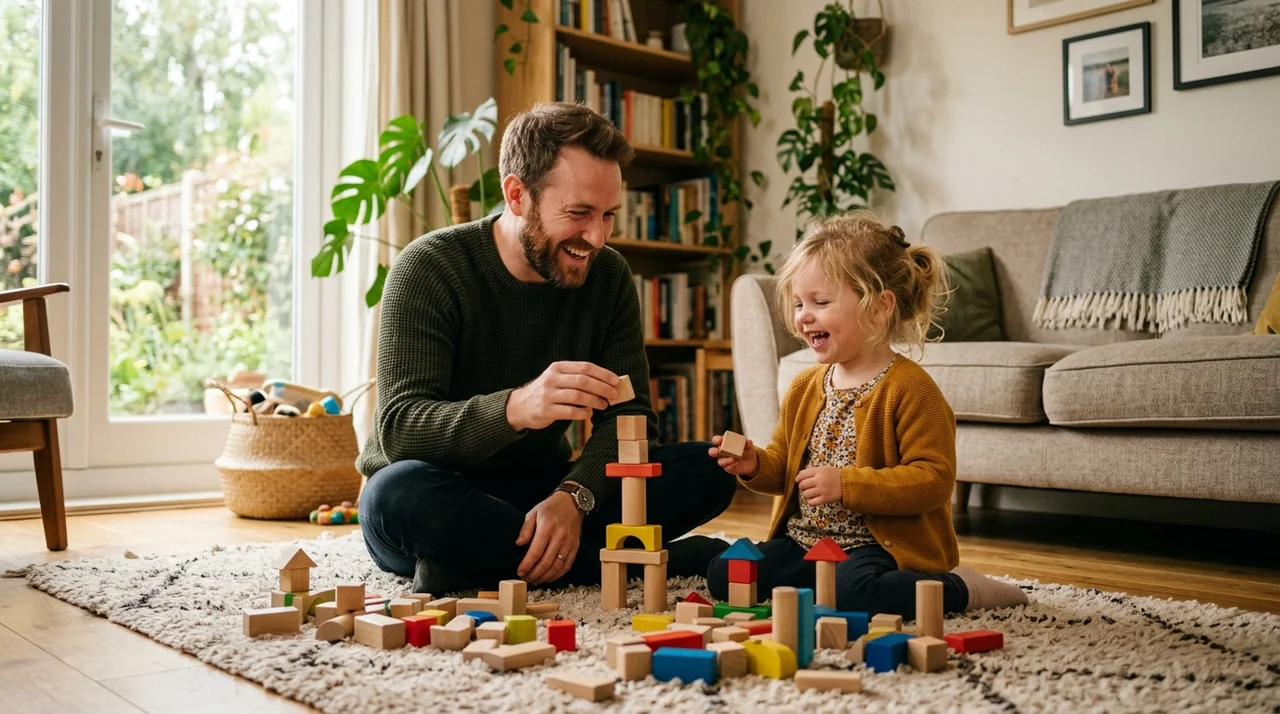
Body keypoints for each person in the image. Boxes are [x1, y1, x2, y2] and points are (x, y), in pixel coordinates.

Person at [356, 102, 737, 595]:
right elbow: (400, 430)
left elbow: (633, 417)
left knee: (710, 469)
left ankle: (477, 563)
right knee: (394, 494)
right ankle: (607, 563)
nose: (596, 237)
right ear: (518, 195)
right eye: (579, 213)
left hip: (546, 490)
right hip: (442, 491)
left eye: (608, 216)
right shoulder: (430, 267)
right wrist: (518, 407)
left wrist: (573, 497)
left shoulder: (609, 276)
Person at [705, 211, 1028, 617]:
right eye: (799, 302)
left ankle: (961, 588)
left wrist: (847, 484)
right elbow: (784, 469)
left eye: (821, 302)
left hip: (875, 550)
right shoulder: (806, 387)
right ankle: (820, 588)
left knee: (858, 594)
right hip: (805, 543)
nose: (804, 315)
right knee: (726, 573)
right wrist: (753, 464)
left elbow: (934, 481)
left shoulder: (911, 389)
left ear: (879, 307)